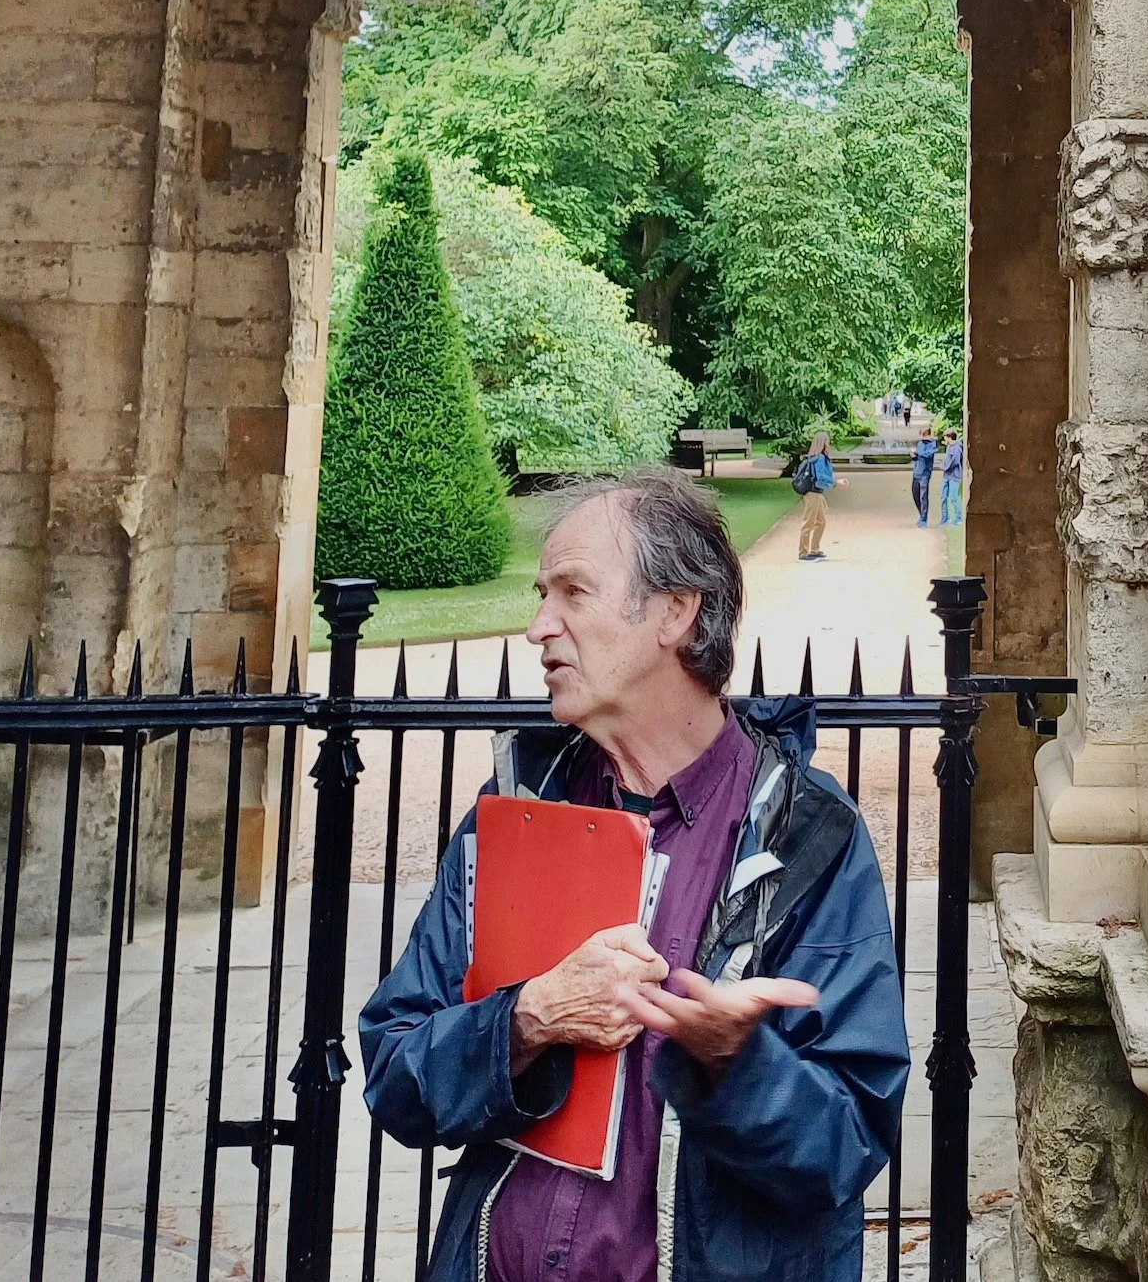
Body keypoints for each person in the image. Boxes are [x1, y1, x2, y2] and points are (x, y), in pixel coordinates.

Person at [360, 470, 907, 1282]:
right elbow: (395, 1069)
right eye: (542, 594)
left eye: (573, 592)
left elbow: (847, 1143)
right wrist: (527, 1019)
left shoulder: (807, 836)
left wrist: (734, 1064)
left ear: (675, 612)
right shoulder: (516, 805)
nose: (539, 626)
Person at [797, 428, 845, 562]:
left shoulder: (816, 458)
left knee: (821, 521)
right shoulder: (819, 458)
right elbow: (821, 477)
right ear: (823, 443)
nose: (829, 444)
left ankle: (814, 550)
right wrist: (836, 483)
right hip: (812, 493)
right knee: (809, 522)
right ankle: (803, 553)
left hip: (816, 493)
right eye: (827, 441)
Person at [910, 425, 937, 526]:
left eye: (922, 434)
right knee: (915, 495)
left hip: (925, 474)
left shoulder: (933, 444)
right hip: (916, 473)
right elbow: (918, 457)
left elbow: (928, 455)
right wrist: (913, 456)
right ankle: (921, 514)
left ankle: (924, 519)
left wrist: (918, 453)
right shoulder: (920, 443)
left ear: (927, 434)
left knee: (923, 496)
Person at [939, 429, 965, 526]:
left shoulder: (957, 447)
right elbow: (947, 459)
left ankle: (959, 517)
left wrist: (945, 467)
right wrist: (943, 465)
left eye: (945, 437)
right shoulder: (949, 446)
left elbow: (955, 461)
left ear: (949, 437)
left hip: (954, 476)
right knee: (943, 497)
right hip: (946, 475)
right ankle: (945, 517)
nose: (944, 439)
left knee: (954, 497)